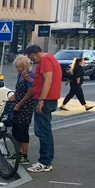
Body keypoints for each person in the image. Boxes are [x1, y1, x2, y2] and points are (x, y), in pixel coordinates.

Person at [24, 44, 62, 172]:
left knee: (42, 131)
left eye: (31, 58)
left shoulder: (45, 61)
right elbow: (41, 82)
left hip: (45, 99)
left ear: (33, 54)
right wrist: (29, 79)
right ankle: (46, 160)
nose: (33, 61)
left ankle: (45, 162)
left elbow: (48, 81)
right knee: (45, 130)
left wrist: (41, 100)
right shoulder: (51, 58)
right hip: (49, 98)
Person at [11, 55, 35, 164]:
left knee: (23, 130)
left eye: (19, 67)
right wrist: (14, 96)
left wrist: (19, 104)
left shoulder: (30, 76)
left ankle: (24, 155)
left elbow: (30, 92)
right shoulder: (19, 75)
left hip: (26, 106)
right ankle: (18, 152)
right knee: (16, 130)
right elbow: (19, 90)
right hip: (18, 104)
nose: (17, 69)